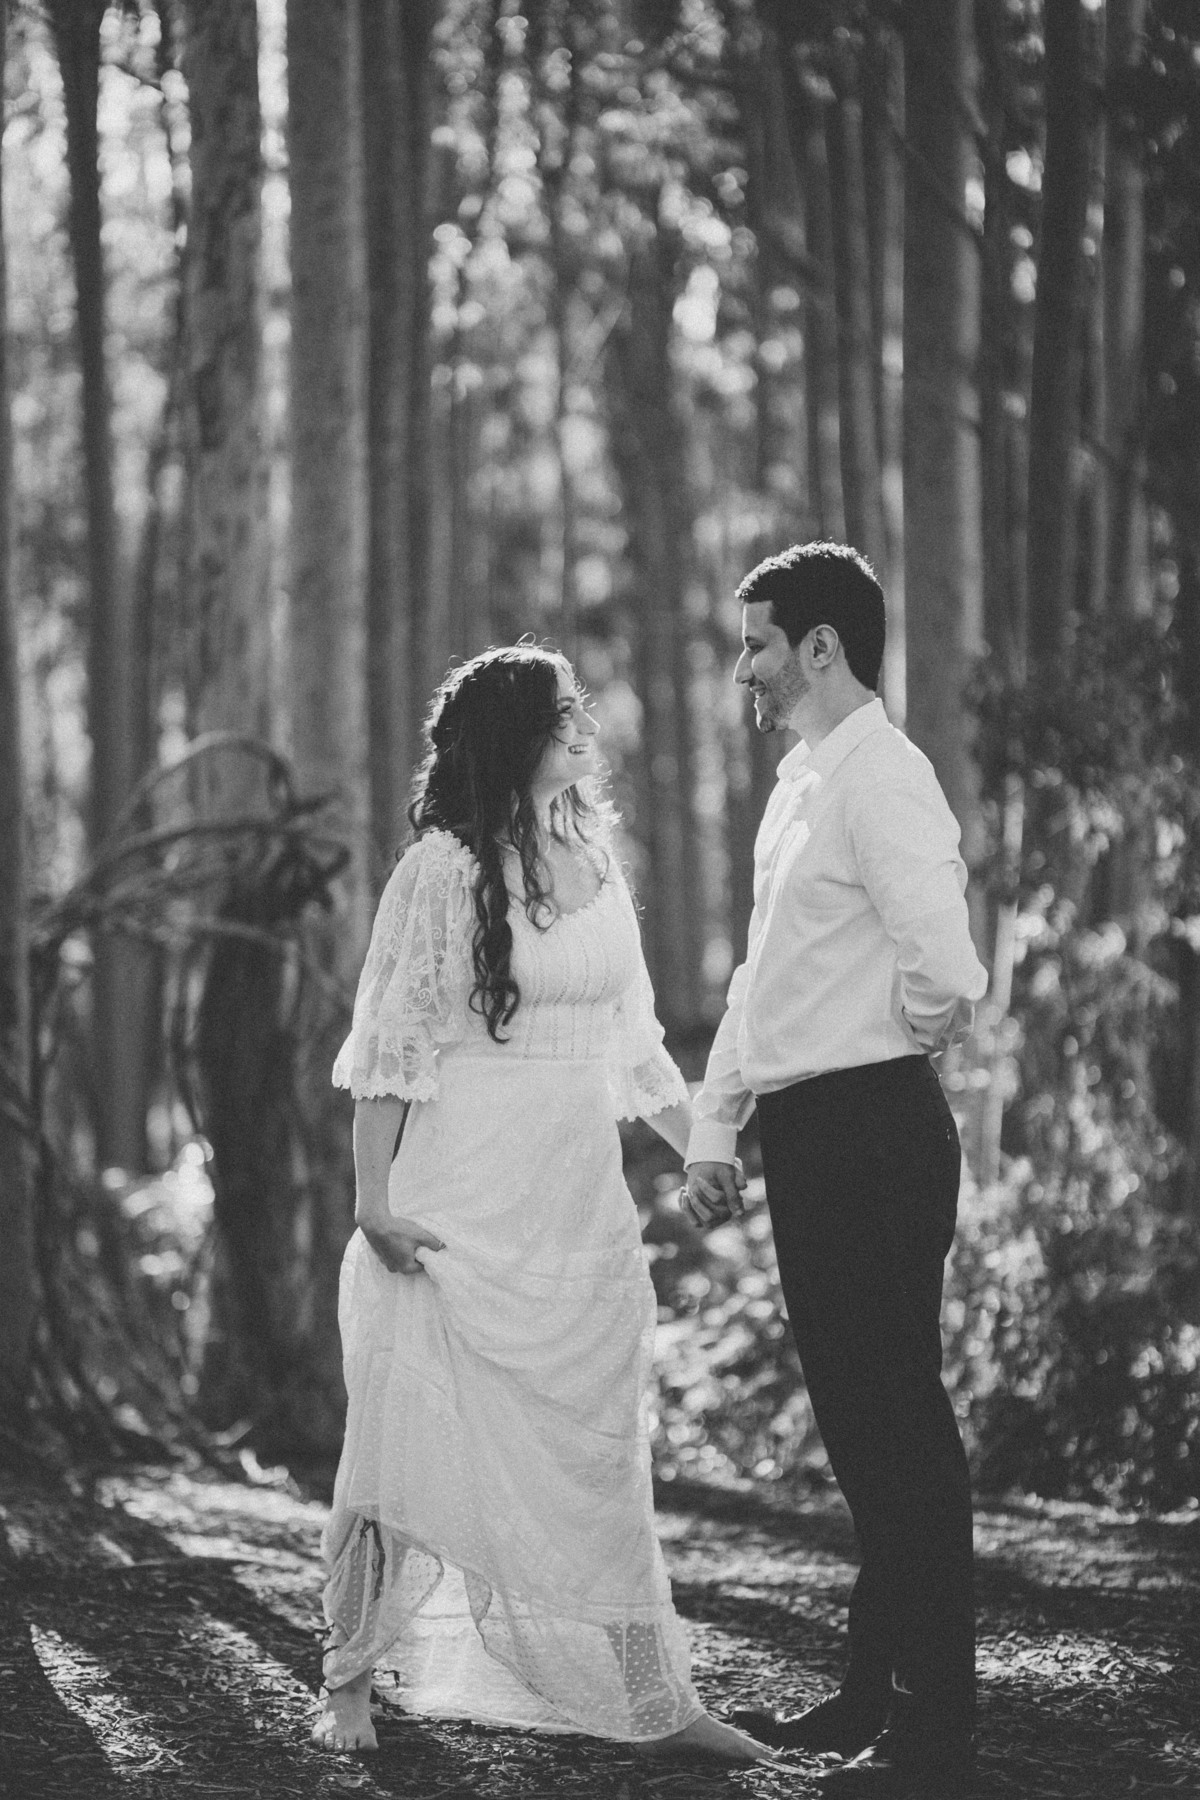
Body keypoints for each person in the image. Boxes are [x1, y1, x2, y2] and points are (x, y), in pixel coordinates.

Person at [311, 644, 773, 1765]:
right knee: (398, 1446)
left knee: (602, 1454)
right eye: (562, 711)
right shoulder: (440, 871)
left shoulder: (597, 860)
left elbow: (637, 1048)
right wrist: (374, 1204)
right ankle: (347, 1680)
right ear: (513, 735)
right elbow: (389, 1053)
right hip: (455, 1208)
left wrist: (708, 1153)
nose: (585, 726)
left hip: (576, 1209)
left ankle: (655, 1698)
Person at [683, 543, 988, 1797]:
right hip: (809, 1135)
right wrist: (716, 1126)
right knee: (861, 1430)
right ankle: (873, 1691)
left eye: (757, 644)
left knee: (898, 1423)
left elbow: (947, 971)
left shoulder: (886, 776)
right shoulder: (799, 786)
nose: (742, 671)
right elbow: (762, 980)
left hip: (874, 1130)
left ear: (820, 647)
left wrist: (889, 1041)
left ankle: (936, 1728)